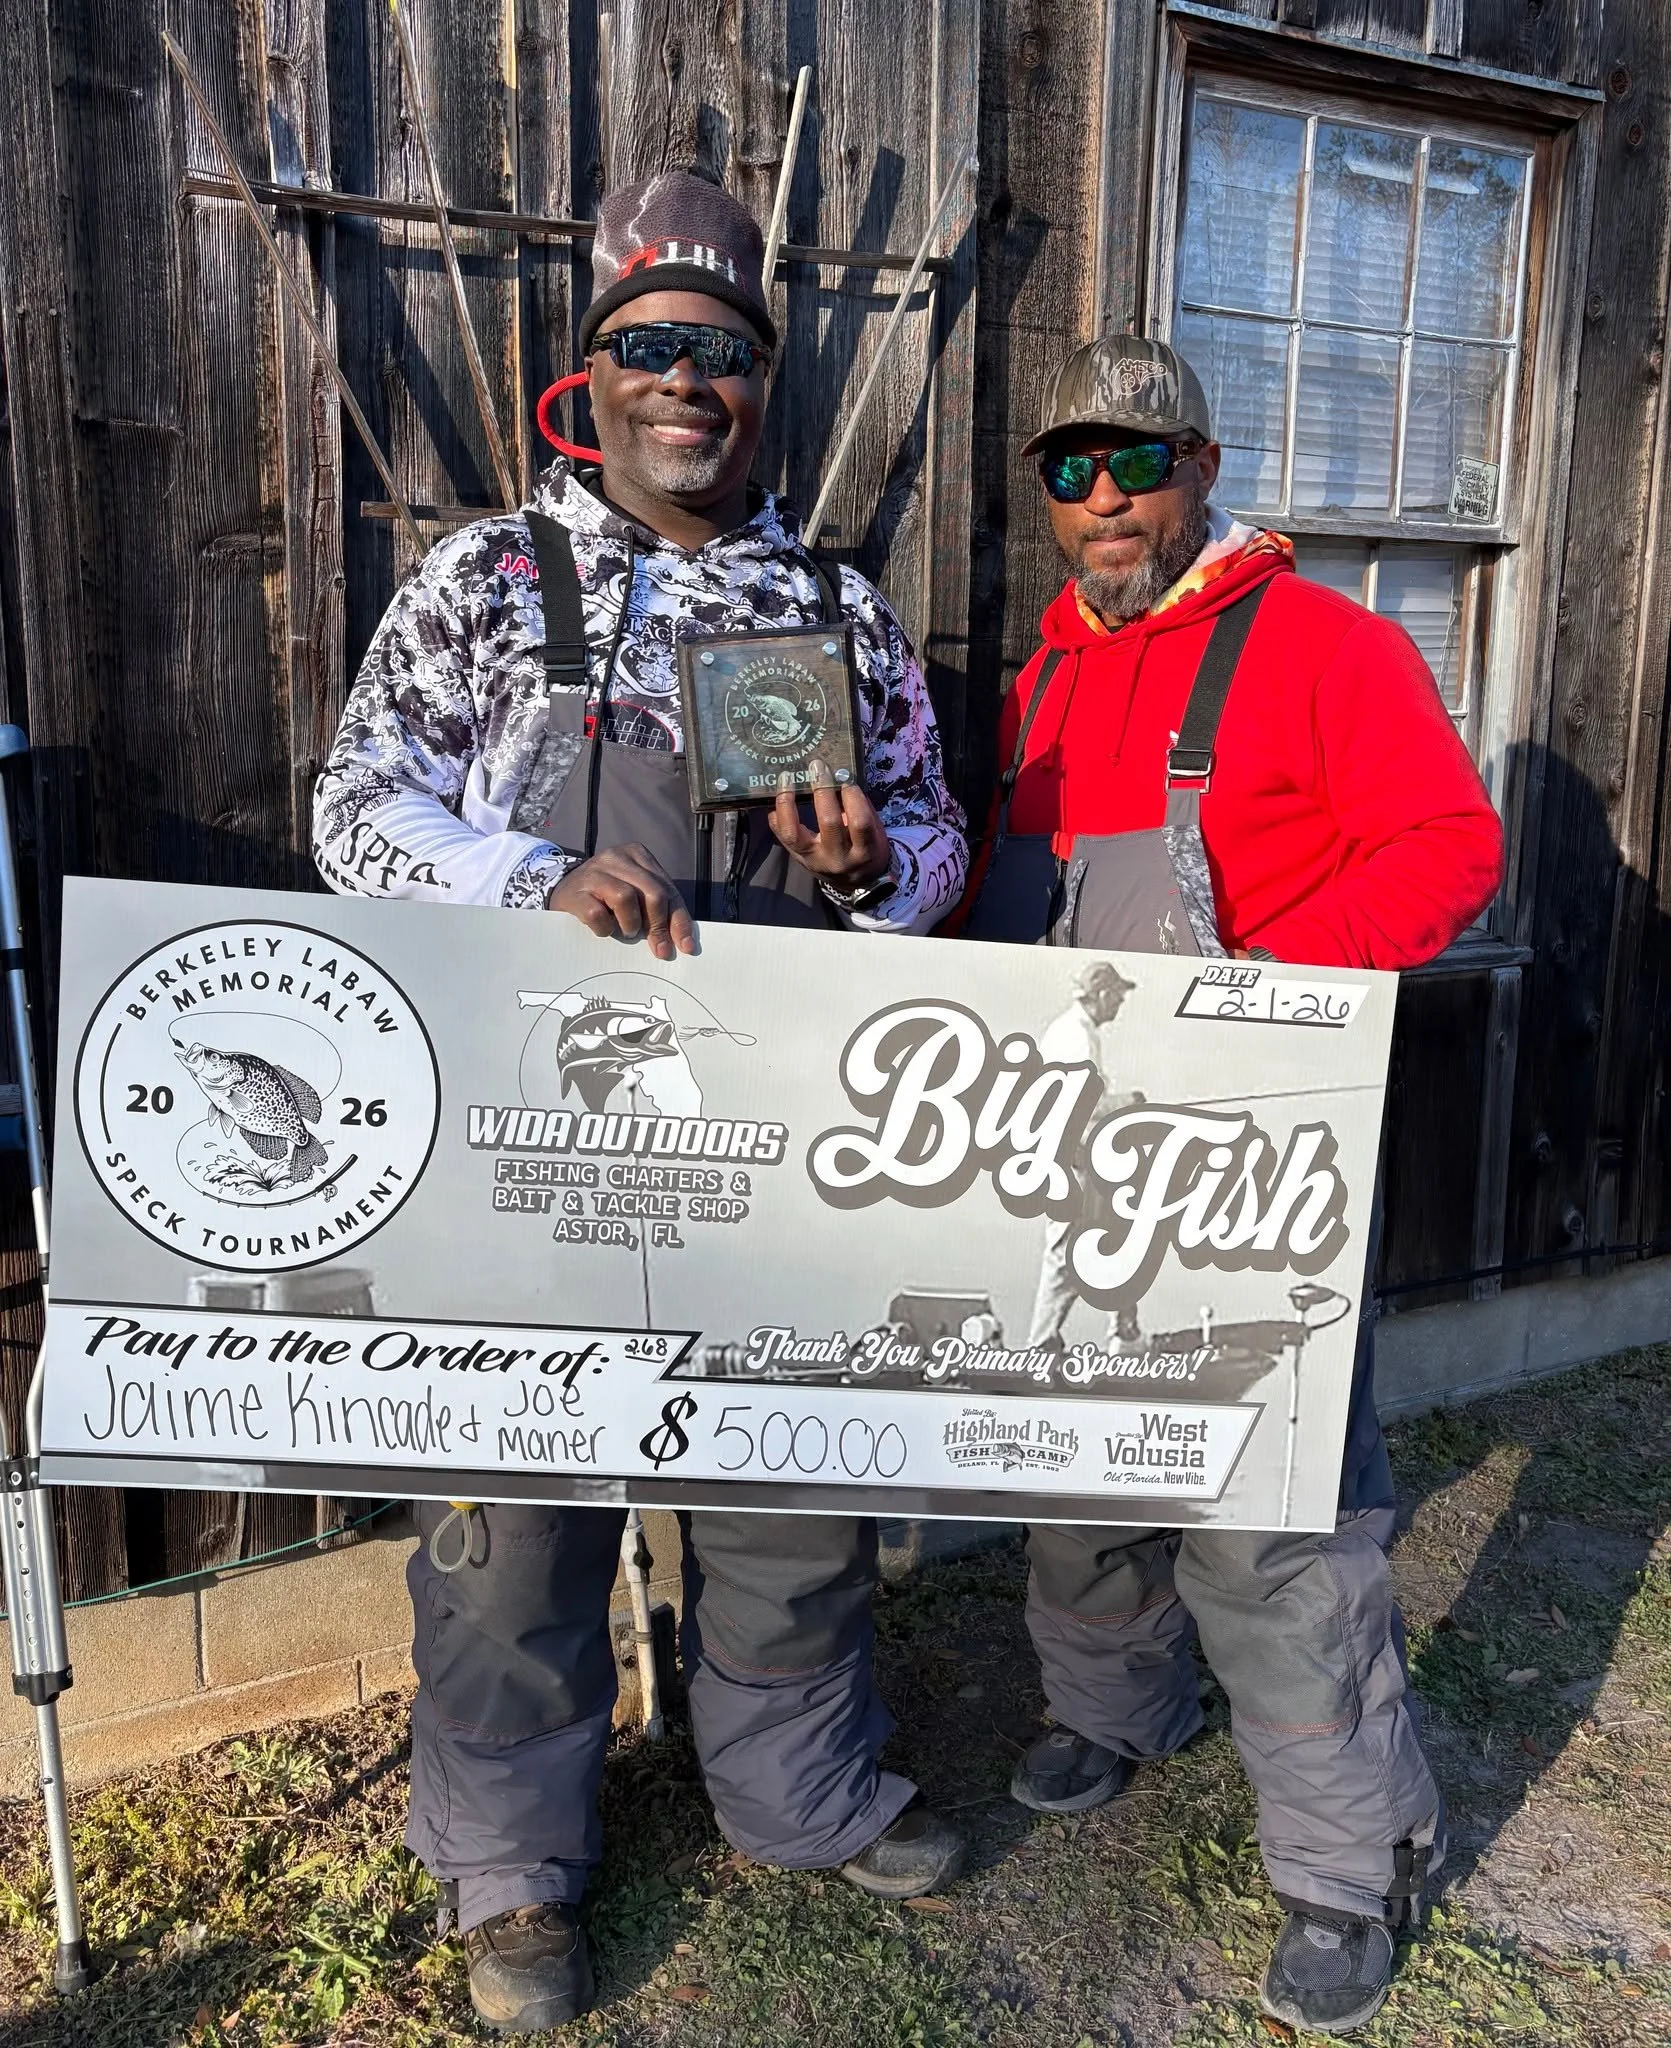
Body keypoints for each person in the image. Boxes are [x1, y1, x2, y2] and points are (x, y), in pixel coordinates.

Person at [313, 168, 969, 2035]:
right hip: (534, 1143)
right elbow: (357, 807)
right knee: (513, 1512)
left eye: (724, 350)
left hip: (770, 1137)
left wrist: (865, 870)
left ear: (764, 381)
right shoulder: (485, 582)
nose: (687, 377)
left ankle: (799, 1787)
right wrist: (529, 878)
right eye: (650, 345)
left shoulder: (831, 602)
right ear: (586, 379)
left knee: (785, 1491)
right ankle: (513, 1862)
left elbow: (933, 835)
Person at [960, 335, 1503, 2037]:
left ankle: (1353, 1861)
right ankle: (1119, 1708)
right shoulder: (1039, 680)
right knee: (1077, 1457)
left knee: (1277, 1521)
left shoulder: (1326, 648)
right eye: (1071, 468)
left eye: (1136, 460)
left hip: (1251, 1142)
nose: (1104, 496)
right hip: (1059, 1141)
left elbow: (1450, 847)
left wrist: (1264, 983)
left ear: (1201, 463)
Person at [1025, 962, 1141, 1354]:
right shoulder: (1077, 1036)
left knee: (1112, 1234)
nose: (1121, 1004)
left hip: (1070, 1157)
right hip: (1068, 1160)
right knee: (1067, 1251)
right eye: (1119, 996)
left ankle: (1123, 1333)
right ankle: (1042, 1344)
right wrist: (1129, 1102)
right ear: (1103, 994)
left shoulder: (1070, 1031)